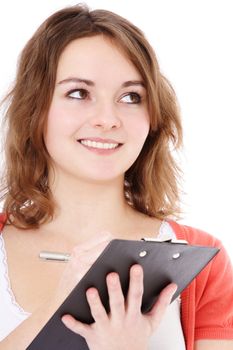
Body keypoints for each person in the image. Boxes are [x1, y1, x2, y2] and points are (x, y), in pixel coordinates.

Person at [0, 3, 232, 350]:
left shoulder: (203, 260)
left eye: (130, 96)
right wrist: (63, 300)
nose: (107, 119)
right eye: (78, 93)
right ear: (36, 109)